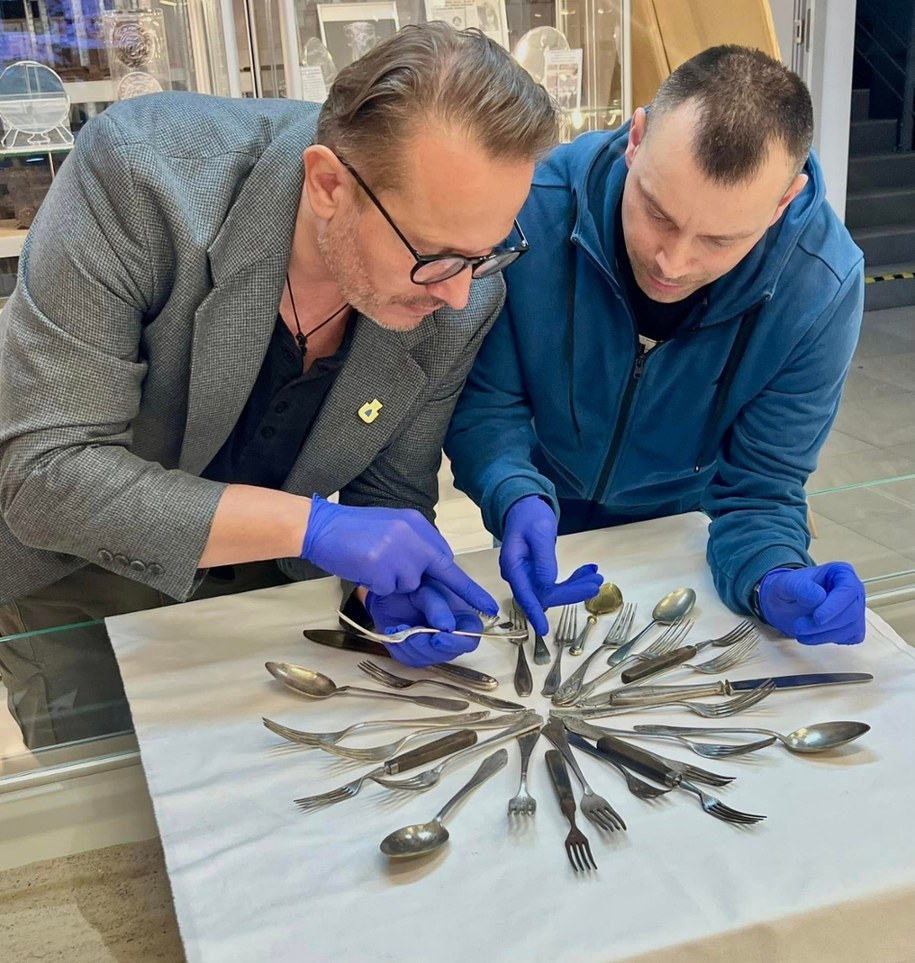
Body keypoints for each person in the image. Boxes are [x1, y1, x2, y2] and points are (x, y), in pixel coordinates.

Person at [0, 23, 566, 748]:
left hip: (268, 585)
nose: (457, 293)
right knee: (116, 796)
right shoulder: (141, 178)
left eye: (485, 253)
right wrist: (313, 527)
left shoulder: (464, 294)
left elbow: (390, 492)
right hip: (81, 578)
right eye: (434, 255)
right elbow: (47, 476)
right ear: (328, 184)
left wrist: (388, 587)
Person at [446, 45, 868, 647]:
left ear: (783, 202)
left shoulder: (819, 286)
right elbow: (489, 405)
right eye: (658, 213)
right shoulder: (532, 207)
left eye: (720, 240)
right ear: (636, 139)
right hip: (538, 497)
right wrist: (511, 491)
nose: (672, 263)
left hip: (685, 530)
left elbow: (762, 488)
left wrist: (773, 575)